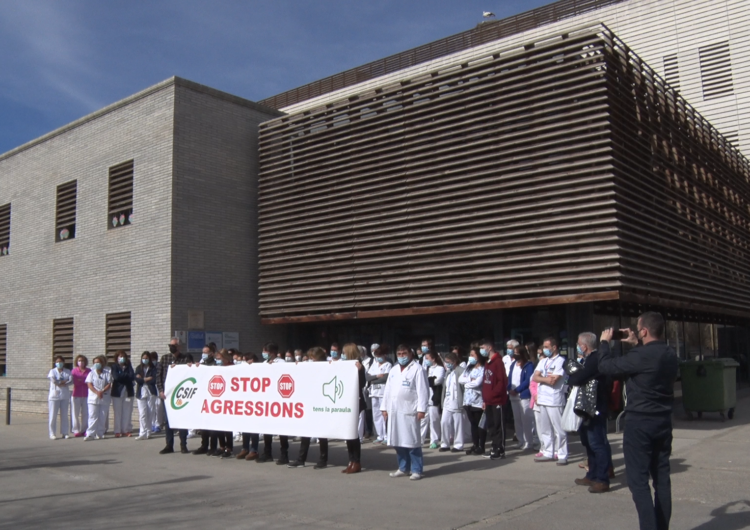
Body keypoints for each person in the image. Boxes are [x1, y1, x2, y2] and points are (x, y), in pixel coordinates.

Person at [599, 313, 679, 530]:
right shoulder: (670, 353)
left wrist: (605, 343)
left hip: (640, 423)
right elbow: (646, 363)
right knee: (662, 479)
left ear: (644, 331)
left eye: (638, 328)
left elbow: (607, 367)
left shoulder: (641, 356)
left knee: (638, 481)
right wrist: (636, 344)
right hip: (662, 420)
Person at [567, 332, 612, 492]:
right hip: (586, 408)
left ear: (584, 346)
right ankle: (592, 474)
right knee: (588, 443)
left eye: (579, 343)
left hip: (595, 408)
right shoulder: (586, 360)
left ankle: (602, 478)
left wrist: (574, 375)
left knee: (597, 443)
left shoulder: (594, 359)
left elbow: (577, 378)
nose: (577, 346)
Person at [381, 344, 429, 480]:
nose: (402, 356)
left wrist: (421, 409)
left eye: (404, 353)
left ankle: (417, 470)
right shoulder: (394, 369)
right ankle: (403, 468)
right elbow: (388, 390)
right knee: (397, 441)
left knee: (412, 442)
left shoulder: (418, 369)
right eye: (399, 354)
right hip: (394, 410)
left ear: (410, 354)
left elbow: (423, 391)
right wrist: (384, 407)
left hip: (410, 410)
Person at [288, 347, 330, 469]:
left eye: (312, 358)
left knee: (322, 434)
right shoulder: (308, 367)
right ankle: (301, 459)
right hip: (309, 402)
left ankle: (323, 459)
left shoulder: (327, 367)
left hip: (321, 403)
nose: (310, 360)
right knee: (305, 432)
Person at [532, 337, 568, 465]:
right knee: (545, 428)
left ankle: (562, 453)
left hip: (554, 399)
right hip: (543, 398)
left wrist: (543, 378)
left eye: (547, 347)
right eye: (543, 347)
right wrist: (545, 379)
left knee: (559, 428)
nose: (544, 350)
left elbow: (554, 380)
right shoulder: (543, 361)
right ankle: (548, 451)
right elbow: (535, 377)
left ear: (554, 347)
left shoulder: (560, 361)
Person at [157, 337, 194, 454]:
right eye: (170, 345)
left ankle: (183, 444)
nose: (172, 347)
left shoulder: (185, 358)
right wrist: (161, 390)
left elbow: (189, 372)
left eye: (174, 345)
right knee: (168, 421)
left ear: (179, 346)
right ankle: (169, 445)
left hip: (181, 394)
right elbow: (159, 375)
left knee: (182, 420)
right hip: (167, 394)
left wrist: (188, 366)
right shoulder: (165, 358)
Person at [258, 342, 289, 463]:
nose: (264, 354)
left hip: (279, 399)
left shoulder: (282, 363)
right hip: (267, 399)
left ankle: (284, 454)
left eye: (266, 352)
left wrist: (274, 367)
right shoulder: (264, 363)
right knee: (267, 428)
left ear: (273, 353)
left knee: (282, 429)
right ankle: (267, 452)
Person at [479, 339, 508, 460]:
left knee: (498, 425)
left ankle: (500, 449)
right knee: (490, 425)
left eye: (482, 347)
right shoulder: (488, 363)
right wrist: (485, 399)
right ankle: (494, 447)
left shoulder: (498, 362)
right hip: (489, 401)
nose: (481, 350)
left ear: (489, 348)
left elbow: (502, 382)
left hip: (497, 401)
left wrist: (493, 395)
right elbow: (486, 383)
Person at [341, 343, 366, 473]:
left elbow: (362, 383)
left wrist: (360, 370)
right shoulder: (344, 364)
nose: (342, 354)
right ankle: (351, 460)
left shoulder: (358, 365)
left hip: (356, 402)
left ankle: (356, 461)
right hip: (345, 402)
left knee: (353, 434)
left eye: (344, 352)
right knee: (348, 434)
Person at [459, 348, 486, 455]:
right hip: (467, 401)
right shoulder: (469, 368)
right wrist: (470, 381)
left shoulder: (483, 368)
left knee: (480, 425)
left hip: (478, 400)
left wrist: (468, 383)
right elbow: (460, 379)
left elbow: (478, 383)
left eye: (472, 355)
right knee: (473, 425)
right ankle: (475, 444)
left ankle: (481, 446)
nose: (470, 357)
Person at [508, 344, 535, 450]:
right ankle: (520, 440)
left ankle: (529, 442)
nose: (515, 354)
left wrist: (517, 390)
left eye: (517, 352)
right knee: (517, 419)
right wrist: (509, 388)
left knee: (526, 420)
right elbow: (510, 378)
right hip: (513, 396)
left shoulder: (528, 365)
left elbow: (528, 380)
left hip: (523, 395)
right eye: (514, 352)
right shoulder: (513, 364)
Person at [439, 352, 465, 452]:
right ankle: (444, 444)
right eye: (445, 362)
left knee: (458, 424)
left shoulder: (461, 371)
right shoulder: (448, 372)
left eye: (448, 362)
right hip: (447, 401)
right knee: (444, 422)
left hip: (457, 401)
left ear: (454, 361)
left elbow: (463, 387)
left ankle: (458, 445)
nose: (446, 364)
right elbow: (445, 388)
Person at [367, 346, 392, 445]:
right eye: (377, 356)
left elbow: (386, 378)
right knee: (376, 415)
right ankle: (379, 435)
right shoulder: (374, 365)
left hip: (383, 393)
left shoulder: (388, 365)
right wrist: (377, 376)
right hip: (374, 393)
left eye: (380, 355)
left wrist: (374, 379)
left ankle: (386, 436)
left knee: (384, 414)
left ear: (384, 355)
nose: (378, 358)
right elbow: (367, 377)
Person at [84, 356, 112, 440]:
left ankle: (100, 433)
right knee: (92, 416)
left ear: (102, 363)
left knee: (102, 416)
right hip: (93, 397)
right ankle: (90, 434)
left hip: (104, 396)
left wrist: (102, 391)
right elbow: (89, 384)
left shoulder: (107, 373)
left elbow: (109, 384)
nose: (97, 364)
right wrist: (97, 392)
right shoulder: (91, 373)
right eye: (95, 363)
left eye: (98, 362)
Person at [111, 350, 135, 437]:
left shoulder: (128, 366)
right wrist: (126, 376)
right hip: (117, 392)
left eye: (123, 357)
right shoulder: (114, 366)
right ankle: (117, 431)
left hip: (128, 392)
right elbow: (116, 377)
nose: (122, 358)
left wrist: (124, 375)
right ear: (117, 358)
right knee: (117, 412)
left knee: (127, 411)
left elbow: (132, 376)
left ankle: (125, 430)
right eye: (120, 357)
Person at [424, 351, 445, 449]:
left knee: (434, 420)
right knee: (423, 420)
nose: (426, 360)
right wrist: (430, 379)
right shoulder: (425, 369)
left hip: (433, 398)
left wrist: (427, 380)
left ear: (433, 359)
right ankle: (420, 440)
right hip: (424, 398)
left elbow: (437, 381)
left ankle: (435, 440)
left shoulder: (440, 368)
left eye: (427, 358)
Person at [134, 351, 158, 440]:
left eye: (146, 358)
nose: (145, 360)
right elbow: (137, 380)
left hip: (151, 392)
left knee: (150, 412)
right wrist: (147, 378)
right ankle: (142, 432)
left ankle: (148, 432)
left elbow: (154, 380)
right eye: (143, 358)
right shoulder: (138, 368)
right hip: (141, 392)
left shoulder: (154, 368)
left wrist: (143, 379)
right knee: (142, 413)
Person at [48, 356, 72, 440]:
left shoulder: (67, 371)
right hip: (54, 396)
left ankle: (65, 432)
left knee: (64, 415)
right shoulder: (52, 371)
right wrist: (62, 382)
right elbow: (54, 381)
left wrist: (63, 382)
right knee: (53, 415)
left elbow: (70, 380)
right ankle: (52, 433)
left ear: (64, 363)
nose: (59, 363)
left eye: (61, 362)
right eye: (58, 362)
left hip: (64, 395)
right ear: (55, 363)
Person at [70, 355, 90, 438]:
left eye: (82, 360)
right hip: (76, 394)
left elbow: (89, 382)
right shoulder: (74, 371)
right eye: (79, 360)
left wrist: (82, 381)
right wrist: (83, 381)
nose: (81, 362)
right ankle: (76, 429)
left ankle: (84, 429)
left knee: (86, 413)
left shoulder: (89, 371)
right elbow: (75, 381)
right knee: (75, 413)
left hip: (86, 394)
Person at [150, 351, 164, 433]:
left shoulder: (159, 365)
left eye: (154, 359)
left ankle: (158, 424)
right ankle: (152, 424)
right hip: (151, 388)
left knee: (158, 406)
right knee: (152, 407)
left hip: (158, 387)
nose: (152, 361)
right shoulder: (150, 367)